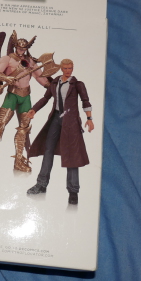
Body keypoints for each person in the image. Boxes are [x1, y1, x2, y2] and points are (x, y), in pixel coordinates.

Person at [0, 31, 51, 177]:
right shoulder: (8, 58)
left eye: (24, 48)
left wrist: (52, 87)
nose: (21, 50)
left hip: (26, 97)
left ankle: (18, 161)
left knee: (24, 129)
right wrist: (6, 78)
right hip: (12, 95)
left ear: (27, 48)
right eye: (19, 47)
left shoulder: (30, 62)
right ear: (16, 46)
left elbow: (40, 78)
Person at [26, 59, 94, 204]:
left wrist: (89, 118)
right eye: (65, 68)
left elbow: (85, 101)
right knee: (48, 149)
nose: (68, 70)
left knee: (72, 154)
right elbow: (46, 98)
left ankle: (73, 190)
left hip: (71, 121)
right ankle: (41, 184)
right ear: (61, 69)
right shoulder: (55, 83)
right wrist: (34, 109)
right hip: (56, 118)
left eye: (70, 68)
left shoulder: (77, 84)